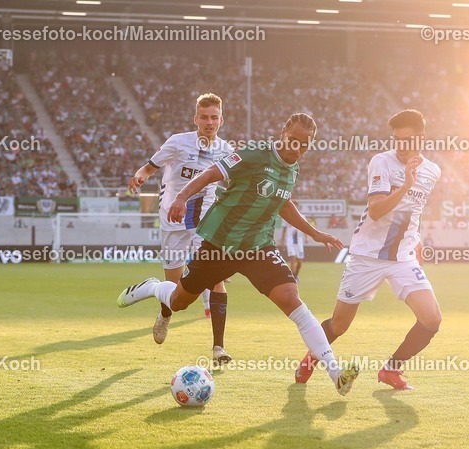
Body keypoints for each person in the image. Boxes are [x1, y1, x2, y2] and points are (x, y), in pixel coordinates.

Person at [117, 113, 359, 395]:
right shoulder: (254, 154)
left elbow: (283, 203)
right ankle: (153, 287)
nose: (297, 148)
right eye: (293, 140)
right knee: (179, 301)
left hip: (258, 247)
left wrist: (315, 233)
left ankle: (336, 374)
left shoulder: (292, 169)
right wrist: (181, 197)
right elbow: (211, 174)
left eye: (304, 145)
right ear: (282, 132)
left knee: (291, 299)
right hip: (221, 244)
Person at [295, 109, 443, 391]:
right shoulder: (381, 162)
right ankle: (312, 357)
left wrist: (417, 241)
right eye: (397, 140)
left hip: (402, 257)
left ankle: (391, 369)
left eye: (408, 140)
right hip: (366, 256)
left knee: (432, 319)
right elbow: (376, 211)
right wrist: (406, 185)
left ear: (422, 138)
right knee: (339, 325)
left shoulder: (433, 170)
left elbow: (415, 209)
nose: (401, 146)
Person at [127, 93, 235, 362]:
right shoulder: (177, 142)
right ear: (195, 119)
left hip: (206, 221)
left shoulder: (226, 150)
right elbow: (150, 167)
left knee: (215, 278)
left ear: (221, 120)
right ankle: (165, 313)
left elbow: (235, 182)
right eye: (204, 117)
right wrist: (140, 176)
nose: (209, 122)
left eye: (214, 118)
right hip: (173, 219)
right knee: (177, 294)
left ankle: (218, 347)